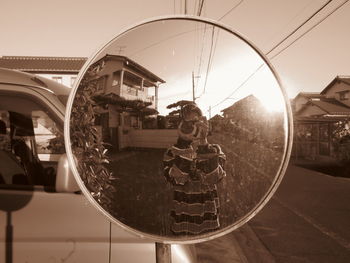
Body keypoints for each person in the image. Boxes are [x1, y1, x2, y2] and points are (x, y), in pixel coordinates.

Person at [163, 103, 226, 235]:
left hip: (208, 215)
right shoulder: (172, 151)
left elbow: (214, 177)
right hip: (183, 215)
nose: (192, 127)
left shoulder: (214, 149)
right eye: (187, 123)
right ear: (179, 126)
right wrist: (184, 145)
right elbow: (178, 179)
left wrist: (203, 142)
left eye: (196, 122)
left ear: (204, 124)